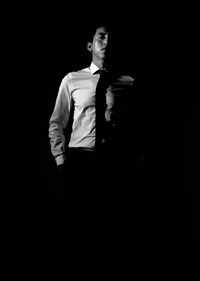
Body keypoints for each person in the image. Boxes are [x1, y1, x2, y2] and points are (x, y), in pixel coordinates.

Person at [48, 23, 134, 258]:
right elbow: (57, 122)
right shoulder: (72, 79)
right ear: (90, 45)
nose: (106, 42)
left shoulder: (127, 82)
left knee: (117, 226)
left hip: (111, 160)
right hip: (79, 160)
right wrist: (61, 161)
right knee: (76, 226)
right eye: (101, 37)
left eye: (110, 39)